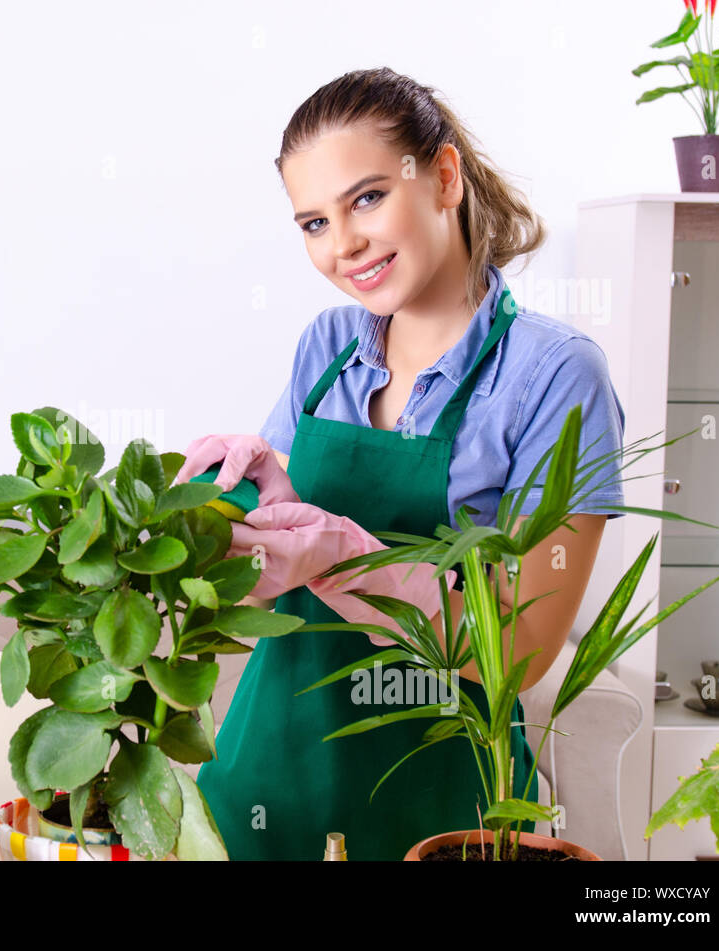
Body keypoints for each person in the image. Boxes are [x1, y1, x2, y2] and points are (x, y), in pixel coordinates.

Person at [175, 67, 627, 861]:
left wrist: (344, 555)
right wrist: (251, 502)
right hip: (263, 783)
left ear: (443, 177)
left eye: (367, 198)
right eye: (313, 221)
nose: (343, 244)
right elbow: (274, 564)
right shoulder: (326, 350)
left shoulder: (553, 375)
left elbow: (516, 651)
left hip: (441, 810)